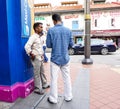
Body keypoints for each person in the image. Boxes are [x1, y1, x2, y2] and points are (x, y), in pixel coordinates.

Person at [46, 14, 74, 104]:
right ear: (60, 19)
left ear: (54, 21)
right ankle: (68, 96)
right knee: (67, 78)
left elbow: (48, 45)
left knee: (54, 79)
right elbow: (71, 45)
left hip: (55, 59)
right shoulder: (68, 30)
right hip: (65, 58)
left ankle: (53, 99)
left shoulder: (51, 30)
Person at [24, 22, 50, 95]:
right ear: (36, 28)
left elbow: (40, 47)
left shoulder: (39, 37)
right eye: (40, 27)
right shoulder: (33, 37)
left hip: (40, 57)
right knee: (36, 73)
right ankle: (37, 89)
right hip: (36, 58)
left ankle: (44, 84)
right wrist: (31, 53)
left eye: (42, 27)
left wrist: (42, 55)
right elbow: (27, 46)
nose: (42, 28)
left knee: (42, 72)